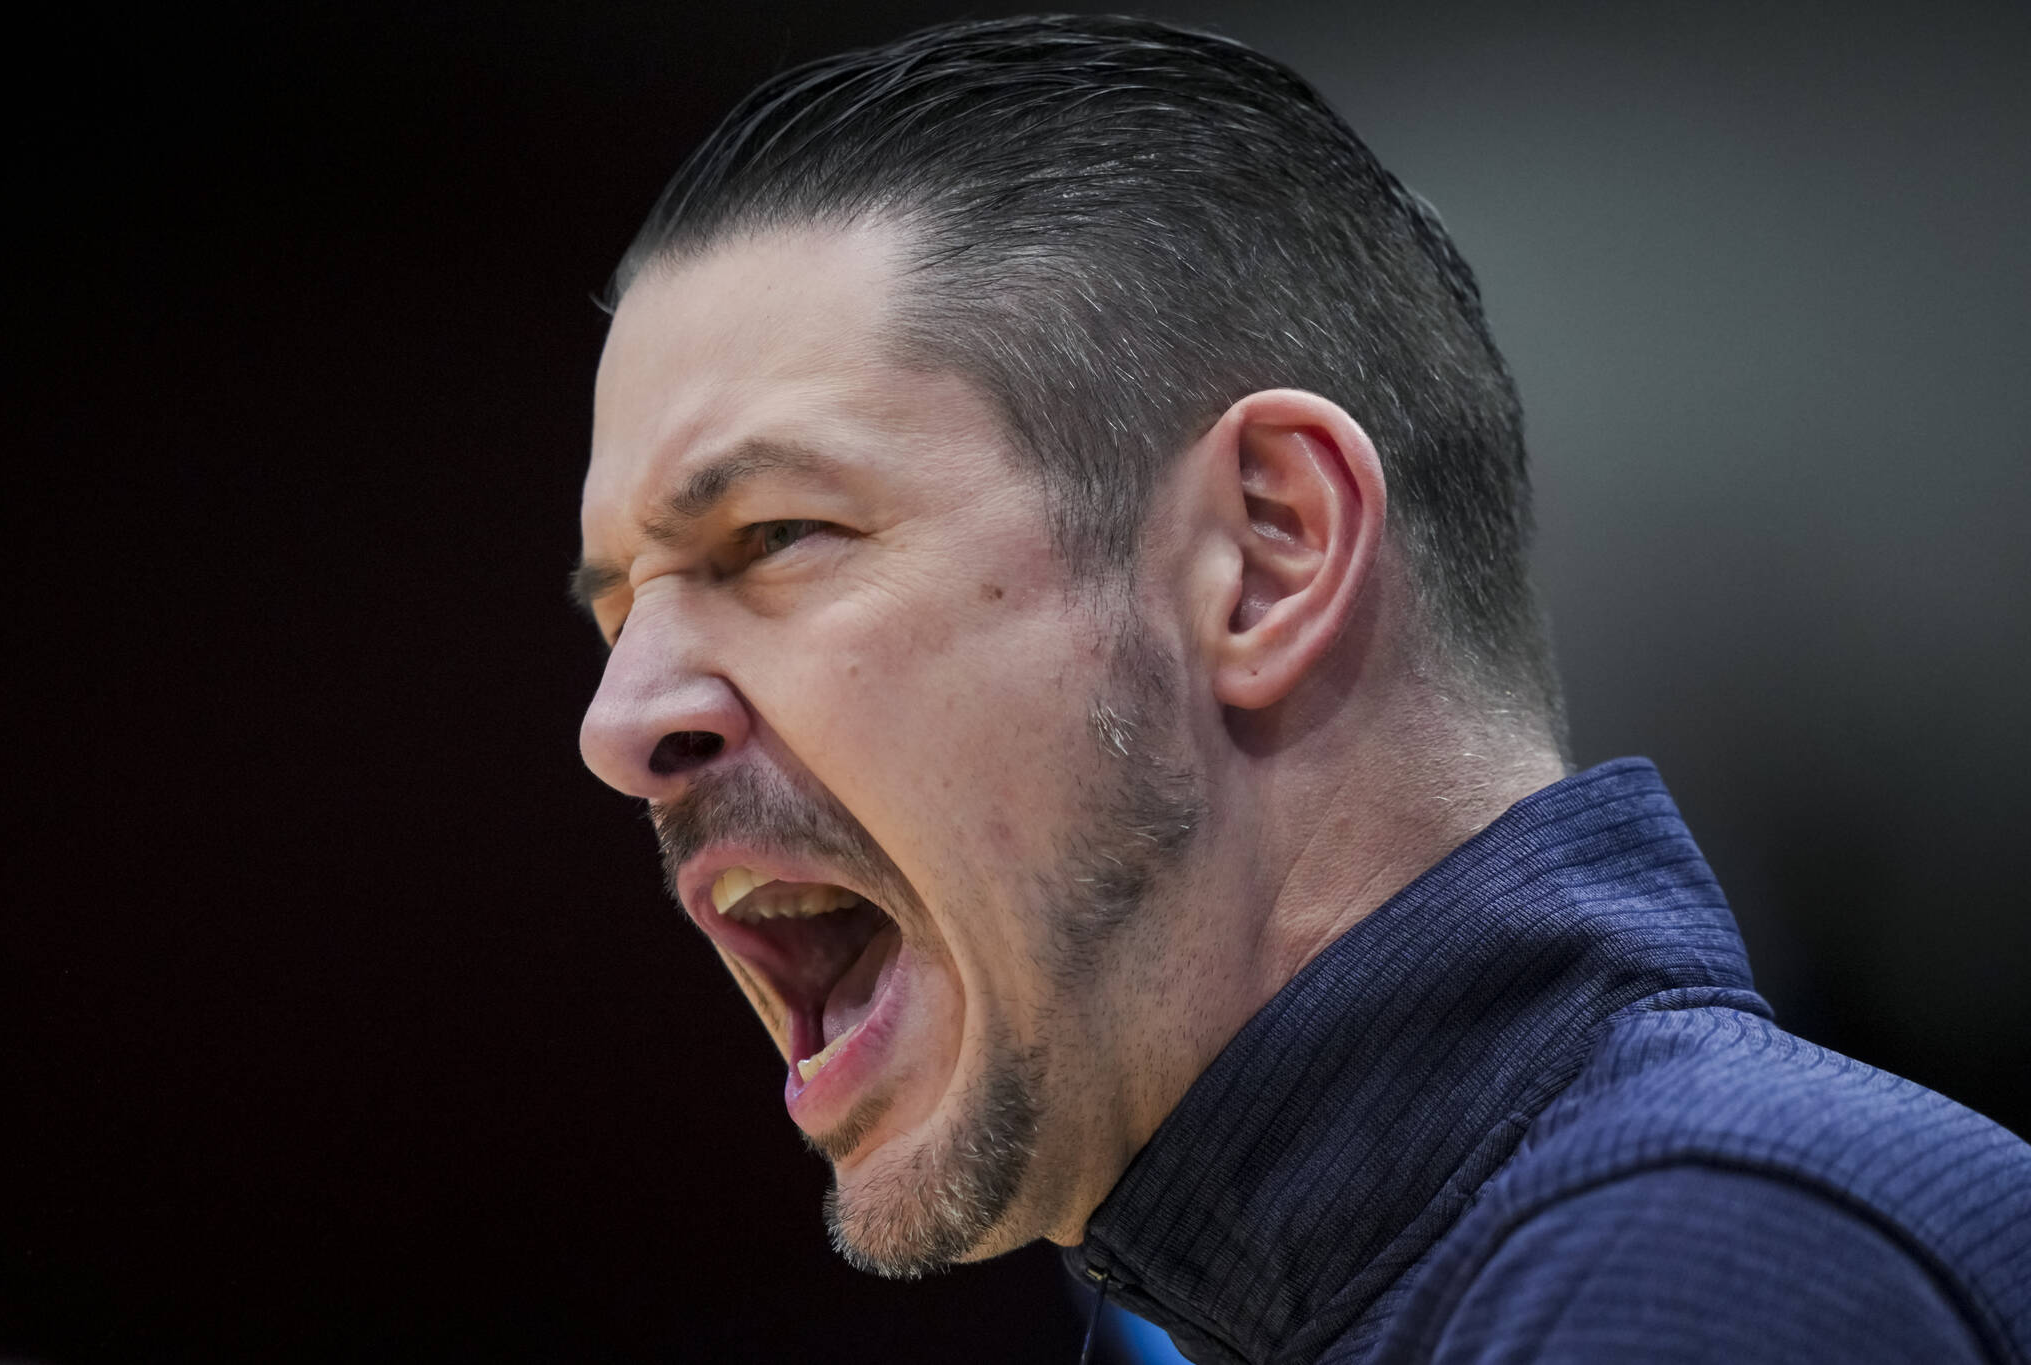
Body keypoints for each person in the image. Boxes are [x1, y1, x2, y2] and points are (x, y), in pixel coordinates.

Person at [569, 15, 2030, 1364]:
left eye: (771, 537)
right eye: (618, 606)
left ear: (1268, 555)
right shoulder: (1289, 1303)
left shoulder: (1697, 1274)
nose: (619, 722)